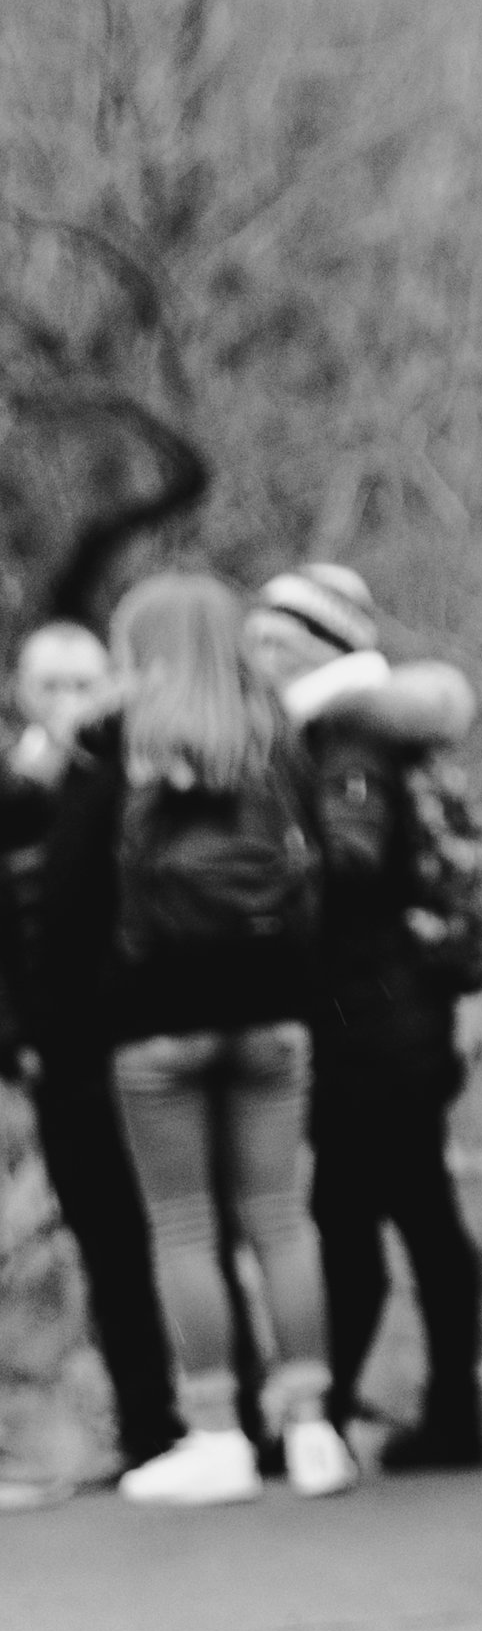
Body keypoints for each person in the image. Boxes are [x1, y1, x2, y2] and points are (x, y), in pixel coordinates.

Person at [33, 572, 353, 1505]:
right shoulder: (277, 741)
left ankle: (213, 1434)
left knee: (183, 1227)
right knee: (282, 1218)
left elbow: (68, 903)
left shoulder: (115, 747)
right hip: (273, 1018)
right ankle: (313, 1430)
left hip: (154, 1026)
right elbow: (319, 878)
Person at [244, 565, 482, 1472]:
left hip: (374, 1024)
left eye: (278, 641)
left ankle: (341, 1411)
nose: (260, 658)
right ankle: (414, 1413)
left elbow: (354, 863)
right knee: (405, 1213)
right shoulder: (335, 735)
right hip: (389, 1015)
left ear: (319, 648)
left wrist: (270, 880)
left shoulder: (344, 742)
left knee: (361, 1219)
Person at [1, 621, 183, 1478]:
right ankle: (150, 1421)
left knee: (181, 1230)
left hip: (132, 1039)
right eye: (52, 684)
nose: (70, 701)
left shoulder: (133, 773)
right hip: (57, 1054)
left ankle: (217, 1417)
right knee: (110, 1242)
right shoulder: (20, 790)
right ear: (20, 691)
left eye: (85, 682)